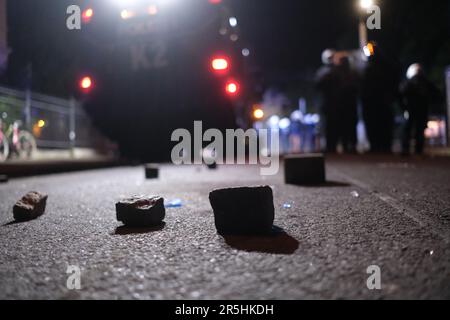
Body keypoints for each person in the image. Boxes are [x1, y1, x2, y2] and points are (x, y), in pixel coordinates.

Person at [361, 43, 399, 153]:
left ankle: (379, 147)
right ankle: (381, 146)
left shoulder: (373, 68)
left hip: (377, 102)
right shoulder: (386, 66)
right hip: (379, 102)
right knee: (380, 124)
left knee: (378, 124)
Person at [399, 64, 439, 155]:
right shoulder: (426, 83)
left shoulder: (409, 83)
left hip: (411, 110)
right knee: (418, 131)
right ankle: (418, 150)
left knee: (408, 130)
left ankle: (406, 150)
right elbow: (437, 95)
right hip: (420, 110)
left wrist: (404, 107)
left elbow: (400, 94)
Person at [315, 49, 340, 153]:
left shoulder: (339, 71)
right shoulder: (322, 72)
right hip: (327, 104)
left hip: (338, 104)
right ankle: (330, 146)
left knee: (337, 126)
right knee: (327, 126)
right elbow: (317, 86)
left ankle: (339, 145)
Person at [335, 55, 359, 153]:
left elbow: (358, 87)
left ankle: (352, 145)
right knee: (344, 126)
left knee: (351, 125)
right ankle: (346, 145)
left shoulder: (353, 74)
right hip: (341, 105)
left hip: (350, 104)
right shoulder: (336, 74)